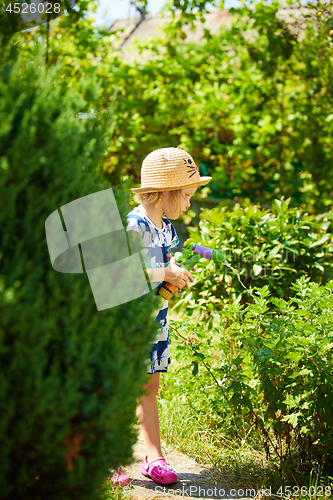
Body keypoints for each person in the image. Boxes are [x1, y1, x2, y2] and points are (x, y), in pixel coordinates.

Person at [111, 147, 211, 487]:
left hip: (154, 319)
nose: (187, 204)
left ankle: (153, 457)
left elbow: (162, 267)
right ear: (165, 191)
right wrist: (163, 272)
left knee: (149, 385)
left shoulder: (166, 227)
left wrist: (175, 273)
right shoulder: (134, 225)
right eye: (185, 195)